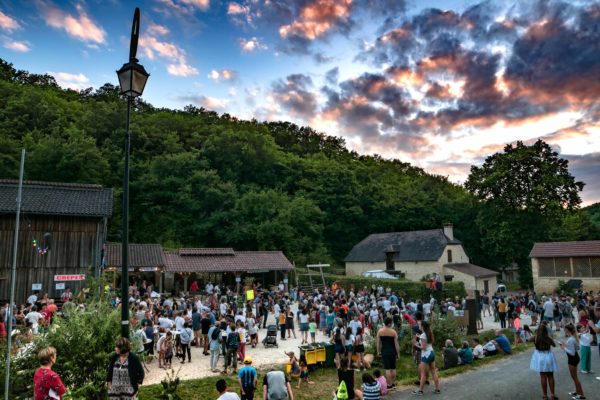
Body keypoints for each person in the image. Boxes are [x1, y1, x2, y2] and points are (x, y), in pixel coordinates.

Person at [530, 321, 558, 400]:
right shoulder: (548, 338)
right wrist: (550, 338)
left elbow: (527, 339)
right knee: (550, 376)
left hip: (540, 357)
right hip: (548, 356)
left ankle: (545, 395)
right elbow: (554, 345)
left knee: (542, 376)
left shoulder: (535, 337)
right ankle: (552, 394)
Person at [412, 320, 440, 396]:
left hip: (426, 354)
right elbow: (427, 341)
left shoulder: (423, 335)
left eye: (420, 325)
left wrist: (416, 344)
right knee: (433, 372)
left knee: (423, 374)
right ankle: (437, 389)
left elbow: (423, 348)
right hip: (432, 353)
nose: (419, 326)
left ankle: (420, 391)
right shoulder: (429, 333)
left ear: (423, 326)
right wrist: (419, 337)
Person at [561, 324, 585, 400]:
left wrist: (563, 348)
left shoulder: (571, 339)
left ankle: (581, 395)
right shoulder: (574, 337)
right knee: (574, 377)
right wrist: (566, 345)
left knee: (575, 377)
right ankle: (577, 391)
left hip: (572, 359)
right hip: (575, 358)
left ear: (568, 330)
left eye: (565, 329)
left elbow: (572, 352)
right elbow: (576, 347)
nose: (564, 330)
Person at [376, 317, 399, 389]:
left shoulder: (380, 331)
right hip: (392, 351)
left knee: (387, 369)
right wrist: (398, 353)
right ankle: (393, 383)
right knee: (393, 368)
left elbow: (378, 343)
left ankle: (389, 384)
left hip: (385, 351)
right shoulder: (393, 332)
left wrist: (378, 351)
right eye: (391, 323)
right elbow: (396, 344)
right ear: (389, 324)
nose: (392, 324)